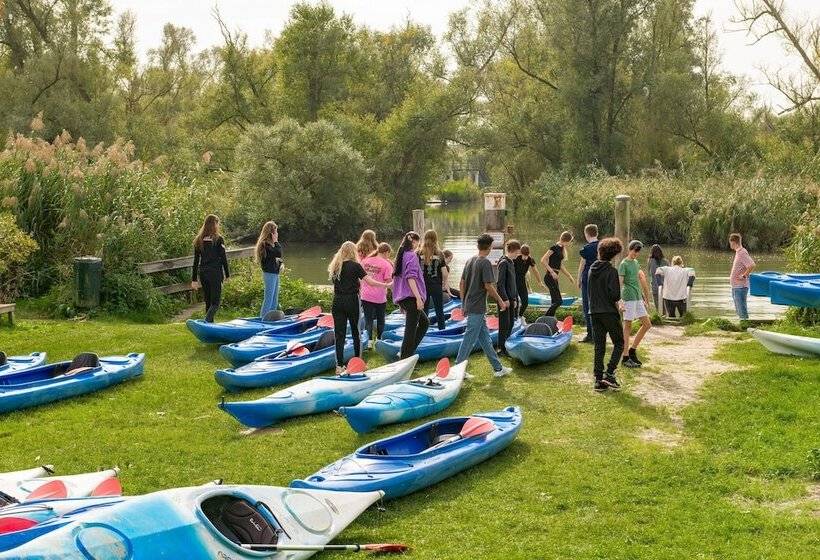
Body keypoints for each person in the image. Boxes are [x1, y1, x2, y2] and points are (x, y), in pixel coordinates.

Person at [455, 234, 513, 378]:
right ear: (490, 247)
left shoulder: (470, 260)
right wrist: (500, 301)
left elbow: (461, 283)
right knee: (469, 339)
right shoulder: (485, 262)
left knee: (485, 340)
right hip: (476, 308)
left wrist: (463, 303)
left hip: (472, 306)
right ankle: (457, 370)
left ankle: (498, 369)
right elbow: (488, 286)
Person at [328, 241, 390, 372]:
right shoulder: (355, 266)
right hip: (352, 300)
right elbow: (370, 281)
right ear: (353, 252)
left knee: (339, 334)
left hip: (337, 301)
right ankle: (358, 362)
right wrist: (385, 285)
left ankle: (339, 366)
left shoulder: (335, 266)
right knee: (356, 332)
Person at [588, 238, 625, 392]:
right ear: (614, 254)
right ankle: (609, 373)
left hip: (594, 312)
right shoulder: (611, 271)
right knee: (619, 343)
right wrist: (620, 303)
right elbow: (615, 294)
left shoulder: (591, 269)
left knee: (599, 346)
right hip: (608, 312)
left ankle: (598, 380)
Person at [392, 232, 428, 359]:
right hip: (411, 297)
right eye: (418, 242)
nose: (419, 245)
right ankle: (405, 357)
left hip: (404, 297)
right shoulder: (411, 255)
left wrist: (402, 300)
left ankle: (406, 352)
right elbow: (411, 278)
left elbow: (398, 278)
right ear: (414, 241)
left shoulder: (401, 256)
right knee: (411, 330)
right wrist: (418, 297)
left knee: (424, 323)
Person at [619, 240, 652, 368]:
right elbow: (620, 283)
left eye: (638, 252)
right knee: (627, 326)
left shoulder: (636, 263)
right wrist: (620, 301)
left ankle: (632, 351)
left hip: (637, 297)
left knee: (647, 324)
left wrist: (644, 297)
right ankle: (625, 357)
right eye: (634, 251)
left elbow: (639, 280)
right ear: (629, 249)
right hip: (628, 298)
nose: (636, 254)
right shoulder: (624, 264)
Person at [192, 214, 230, 323]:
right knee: (215, 303)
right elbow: (223, 258)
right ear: (215, 224)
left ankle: (209, 326)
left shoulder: (199, 240)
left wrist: (194, 279)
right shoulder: (218, 239)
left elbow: (195, 261)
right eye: (217, 224)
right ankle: (207, 321)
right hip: (215, 273)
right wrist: (227, 274)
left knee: (208, 302)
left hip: (203, 273)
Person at [360, 242, 394, 345]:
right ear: (386, 252)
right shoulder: (386, 264)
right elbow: (389, 282)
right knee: (380, 319)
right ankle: (379, 340)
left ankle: (369, 342)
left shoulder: (364, 261)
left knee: (368, 319)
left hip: (365, 296)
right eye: (389, 254)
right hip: (379, 297)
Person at [541, 231, 575, 316]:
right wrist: (552, 272)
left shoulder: (561, 249)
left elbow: (560, 266)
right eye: (570, 242)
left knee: (554, 301)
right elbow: (543, 260)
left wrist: (569, 276)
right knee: (558, 301)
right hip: (549, 276)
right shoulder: (554, 248)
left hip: (554, 277)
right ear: (567, 240)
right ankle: (545, 318)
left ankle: (551, 319)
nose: (570, 244)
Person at [419, 230, 447, 330]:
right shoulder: (439, 254)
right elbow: (444, 272)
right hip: (436, 286)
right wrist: (444, 284)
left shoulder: (418, 253)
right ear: (436, 239)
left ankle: (423, 331)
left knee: (424, 310)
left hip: (422, 286)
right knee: (439, 310)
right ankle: (442, 330)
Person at [496, 239, 520, 355]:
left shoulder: (511, 262)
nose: (518, 254)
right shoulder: (504, 263)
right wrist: (505, 299)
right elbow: (500, 284)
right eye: (517, 252)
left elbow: (512, 283)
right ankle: (501, 348)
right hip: (504, 299)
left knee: (510, 323)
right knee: (504, 324)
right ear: (512, 251)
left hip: (511, 298)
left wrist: (514, 299)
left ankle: (506, 345)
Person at [576, 224, 599, 343]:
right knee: (598, 305)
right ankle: (598, 334)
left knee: (587, 306)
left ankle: (590, 334)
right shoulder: (603, 246)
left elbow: (582, 264)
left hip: (587, 278)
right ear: (597, 233)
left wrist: (578, 278)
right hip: (600, 279)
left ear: (586, 234)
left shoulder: (585, 249)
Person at [255, 221, 283, 318]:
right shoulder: (264, 244)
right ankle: (263, 319)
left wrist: (280, 264)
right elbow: (278, 253)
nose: (277, 233)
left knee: (274, 300)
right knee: (269, 299)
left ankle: (271, 318)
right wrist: (276, 241)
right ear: (271, 233)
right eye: (275, 231)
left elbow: (275, 257)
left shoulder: (270, 245)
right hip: (269, 274)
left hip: (275, 273)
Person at [514, 244, 546, 318]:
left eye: (527, 255)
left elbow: (536, 271)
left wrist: (539, 282)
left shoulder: (530, 259)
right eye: (524, 255)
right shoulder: (515, 258)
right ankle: (514, 318)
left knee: (525, 302)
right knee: (515, 302)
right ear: (520, 253)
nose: (525, 257)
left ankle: (520, 316)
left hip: (522, 282)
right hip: (513, 282)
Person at [729, 233, 756, 320]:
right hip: (736, 286)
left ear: (733, 242)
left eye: (730, 242)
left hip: (740, 286)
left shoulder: (742, 252)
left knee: (741, 308)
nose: (730, 244)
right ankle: (743, 323)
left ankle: (745, 325)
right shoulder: (738, 252)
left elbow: (751, 265)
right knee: (739, 308)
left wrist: (744, 275)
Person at [647, 244, 668, 311]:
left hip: (654, 287)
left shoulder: (650, 261)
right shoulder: (665, 261)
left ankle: (659, 318)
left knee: (657, 308)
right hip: (665, 288)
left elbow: (649, 273)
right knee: (665, 308)